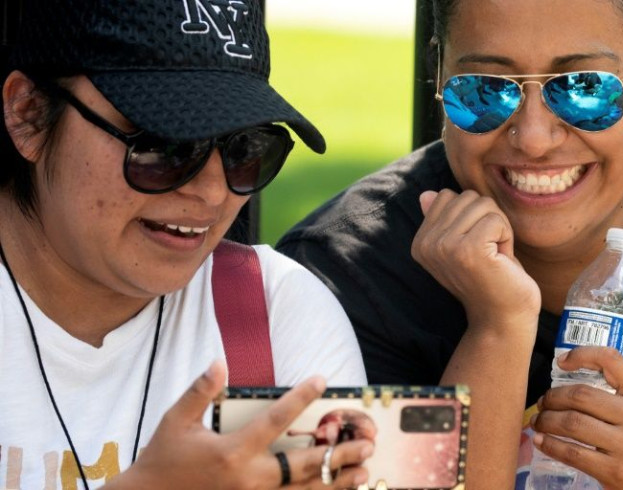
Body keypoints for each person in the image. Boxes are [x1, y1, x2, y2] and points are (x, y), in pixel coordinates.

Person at [277, 0, 623, 488]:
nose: (534, 139)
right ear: (438, 78)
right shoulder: (336, 280)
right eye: (485, 90)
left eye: (584, 87)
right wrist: (498, 328)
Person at [0, 0, 375, 488]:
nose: (213, 192)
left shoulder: (276, 313)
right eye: (162, 144)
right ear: (28, 114)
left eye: (244, 149)